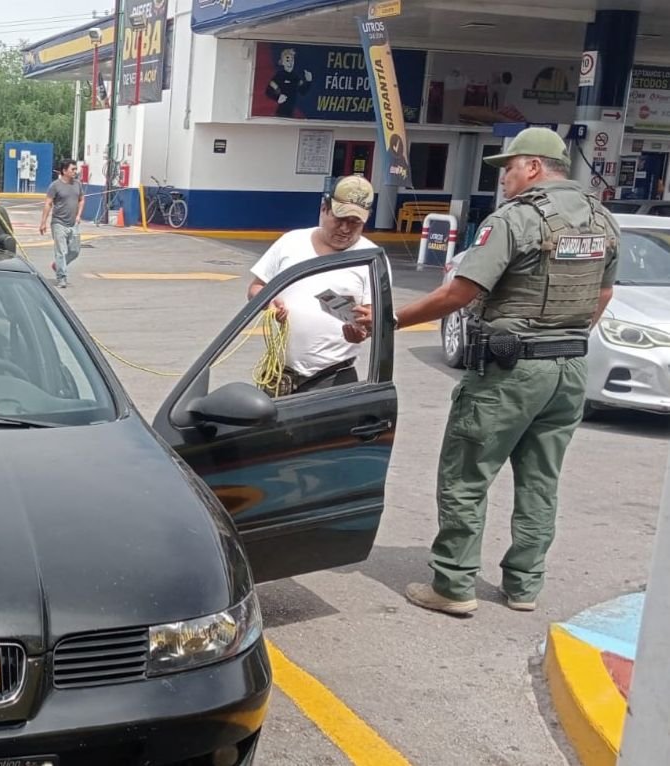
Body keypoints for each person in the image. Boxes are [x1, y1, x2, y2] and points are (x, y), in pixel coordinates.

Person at [351, 127, 620, 616]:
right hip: (568, 371)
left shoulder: (516, 219)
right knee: (540, 481)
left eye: (509, 167)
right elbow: (602, 295)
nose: (503, 178)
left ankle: (454, 584)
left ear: (534, 167)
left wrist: (390, 319)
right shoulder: (601, 219)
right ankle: (524, 586)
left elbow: (461, 292)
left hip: (510, 373)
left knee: (465, 475)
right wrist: (561, 337)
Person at [247, 175, 377, 396]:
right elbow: (256, 288)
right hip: (279, 375)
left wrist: (364, 330)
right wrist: (268, 304)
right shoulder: (291, 242)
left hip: (333, 378)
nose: (345, 229)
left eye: (354, 222)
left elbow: (373, 318)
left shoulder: (370, 258)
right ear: (324, 209)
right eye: (339, 218)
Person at [39, 159, 85, 289]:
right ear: (64, 171)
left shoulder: (77, 184)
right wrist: (43, 222)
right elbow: (48, 203)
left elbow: (81, 200)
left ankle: (58, 265)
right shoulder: (55, 186)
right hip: (58, 223)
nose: (75, 172)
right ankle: (61, 278)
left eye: (76, 169)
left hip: (73, 223)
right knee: (61, 251)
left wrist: (78, 215)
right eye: (72, 169)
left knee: (75, 251)